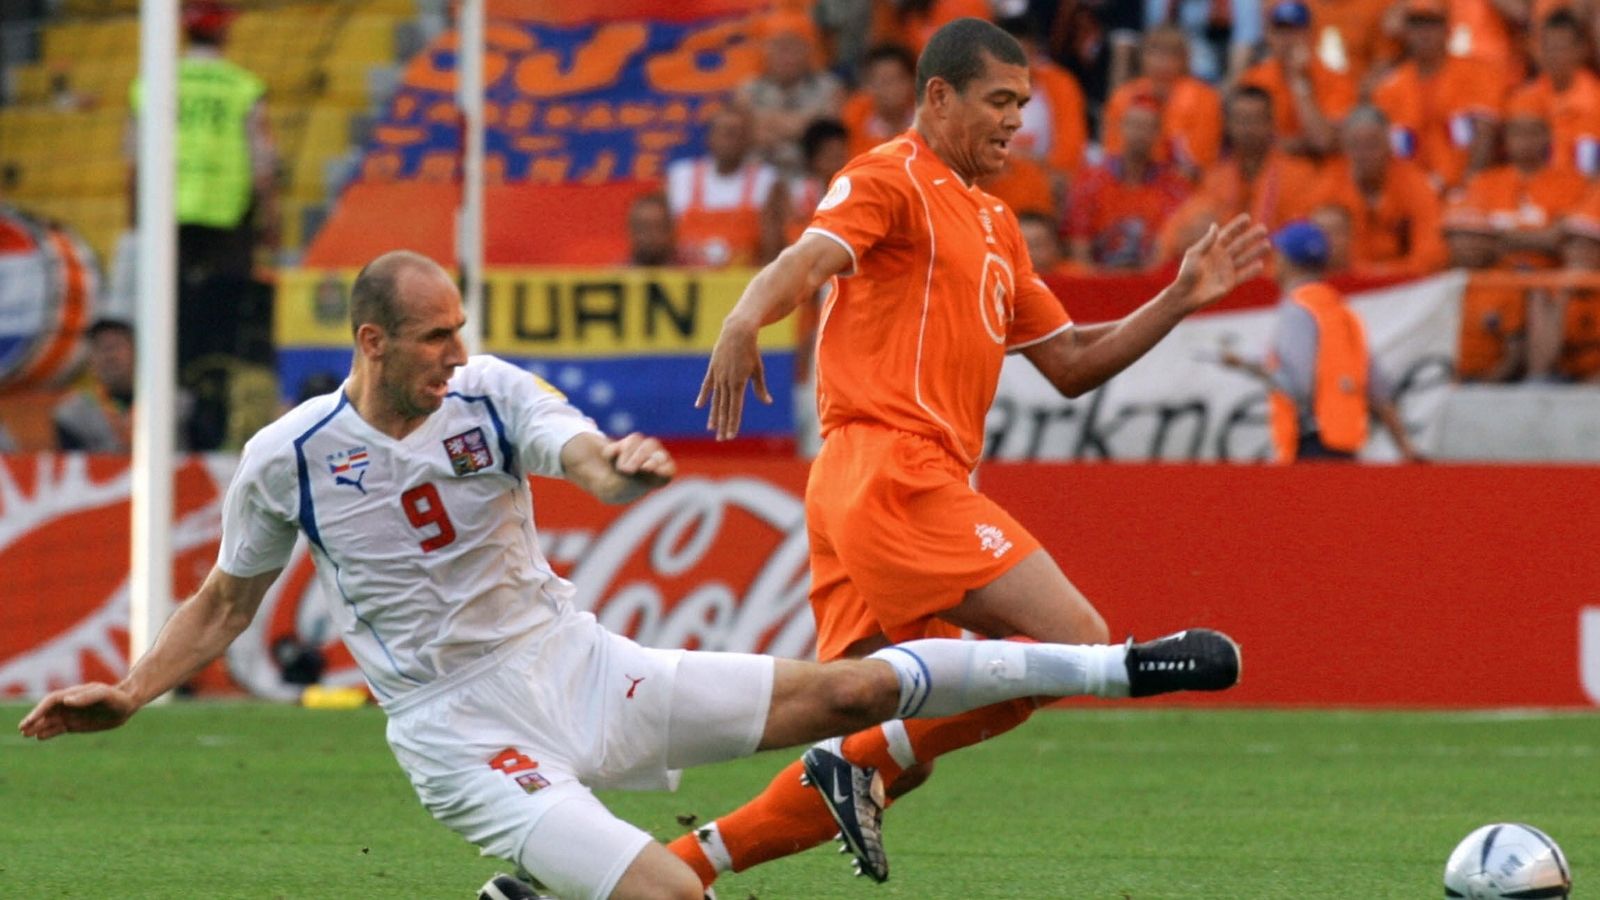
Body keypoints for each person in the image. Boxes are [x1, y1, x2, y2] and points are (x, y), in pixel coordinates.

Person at [17, 250, 1243, 900]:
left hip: (579, 664)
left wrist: (618, 468)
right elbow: (224, 601)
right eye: (436, 335)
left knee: (855, 691)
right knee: (666, 896)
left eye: (462, 328)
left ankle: (1120, 666)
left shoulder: (488, 392)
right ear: (373, 341)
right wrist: (131, 690)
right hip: (460, 732)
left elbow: (579, 455)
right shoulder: (289, 456)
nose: (458, 351)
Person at [679, 18, 1260, 889]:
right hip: (892, 466)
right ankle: (851, 763)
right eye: (999, 100)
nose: (1015, 120)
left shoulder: (996, 222)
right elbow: (809, 258)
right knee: (1071, 640)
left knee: (890, 736)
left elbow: (1069, 362)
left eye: (1022, 103)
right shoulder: (892, 176)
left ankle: (672, 870)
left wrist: (1176, 300)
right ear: (940, 97)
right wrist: (742, 318)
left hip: (872, 482)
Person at [129, 0, 279, 450]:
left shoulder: (150, 84)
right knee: (223, 324)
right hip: (226, 219)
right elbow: (262, 163)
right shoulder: (243, 87)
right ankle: (214, 417)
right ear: (225, 31)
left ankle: (167, 410)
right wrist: (270, 217)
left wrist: (135, 220)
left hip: (166, 217)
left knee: (170, 320)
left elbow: (134, 161)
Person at [1223, 221, 1421, 462]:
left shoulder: (1298, 308)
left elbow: (1298, 385)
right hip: (1343, 446)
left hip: (1309, 443)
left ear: (1287, 260)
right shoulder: (1340, 310)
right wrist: (1404, 445)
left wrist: (1249, 363)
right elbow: (1377, 388)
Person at [1155, 85, 1318, 264]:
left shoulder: (1299, 175)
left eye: (1255, 120)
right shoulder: (1215, 178)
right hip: (1223, 272)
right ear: (1228, 125)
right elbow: (1182, 227)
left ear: (1271, 123)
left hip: (1278, 272)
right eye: (1241, 120)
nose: (1248, 129)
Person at [1370, 0, 1503, 190]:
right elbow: (1388, 153)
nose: (1424, 33)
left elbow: (1486, 136)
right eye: (1417, 26)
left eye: (1432, 25)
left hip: (1465, 186)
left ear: (1447, 29)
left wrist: (1468, 186)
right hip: (1412, 191)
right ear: (1406, 33)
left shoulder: (1477, 73)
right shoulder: (1389, 89)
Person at [1311, 104, 1446, 278]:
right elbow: (1314, 250)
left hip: (1407, 284)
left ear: (1389, 145)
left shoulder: (1415, 184)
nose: (1364, 154)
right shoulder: (1328, 187)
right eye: (1356, 145)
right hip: (1345, 282)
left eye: (1372, 144)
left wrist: (1382, 274)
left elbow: (1431, 255)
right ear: (1344, 147)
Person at [1067, 97, 1194, 270]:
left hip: (1151, 278)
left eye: (1148, 127)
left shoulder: (1174, 187)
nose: (1139, 133)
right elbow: (1079, 245)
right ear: (1120, 128)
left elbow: (1171, 248)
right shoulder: (1089, 182)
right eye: (1134, 125)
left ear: (1158, 133)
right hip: (1099, 277)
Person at [1101, 25, 1223, 180]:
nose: (1162, 61)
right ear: (1142, 57)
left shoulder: (1205, 98)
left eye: (1171, 53)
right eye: (1154, 52)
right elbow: (1113, 153)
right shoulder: (1123, 97)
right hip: (1130, 182)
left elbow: (1199, 161)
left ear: (1185, 59)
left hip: (1185, 185)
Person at [53, 319, 194, 453]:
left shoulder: (178, 403)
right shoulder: (72, 414)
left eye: (116, 345)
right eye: (99, 347)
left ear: (137, 352)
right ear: (89, 361)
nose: (109, 355)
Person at [1237, 0, 1358, 157]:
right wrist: (1301, 145)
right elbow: (1248, 143)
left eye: (1295, 31)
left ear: (1311, 34)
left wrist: (1299, 81)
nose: (1287, 40)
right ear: (1269, 36)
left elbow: (1323, 141)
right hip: (1271, 167)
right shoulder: (1254, 79)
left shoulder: (1336, 79)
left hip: (1320, 168)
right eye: (1280, 31)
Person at [664, 104, 779, 268]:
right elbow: (664, 237)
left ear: (749, 140)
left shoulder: (766, 180)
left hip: (744, 278)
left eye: (739, 134)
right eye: (726, 133)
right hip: (691, 277)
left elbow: (772, 245)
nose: (731, 140)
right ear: (709, 137)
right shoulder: (682, 177)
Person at [1506, 9, 1600, 179]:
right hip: (1536, 187)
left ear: (1581, 49)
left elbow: (1590, 168)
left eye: (1561, 48)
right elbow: (1519, 157)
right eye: (1547, 48)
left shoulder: (1595, 100)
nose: (1553, 56)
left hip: (1582, 187)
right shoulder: (1526, 96)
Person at [624, 192, 680, 267]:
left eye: (657, 227)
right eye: (643, 227)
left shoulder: (691, 269)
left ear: (670, 230)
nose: (650, 235)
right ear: (631, 231)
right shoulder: (619, 272)